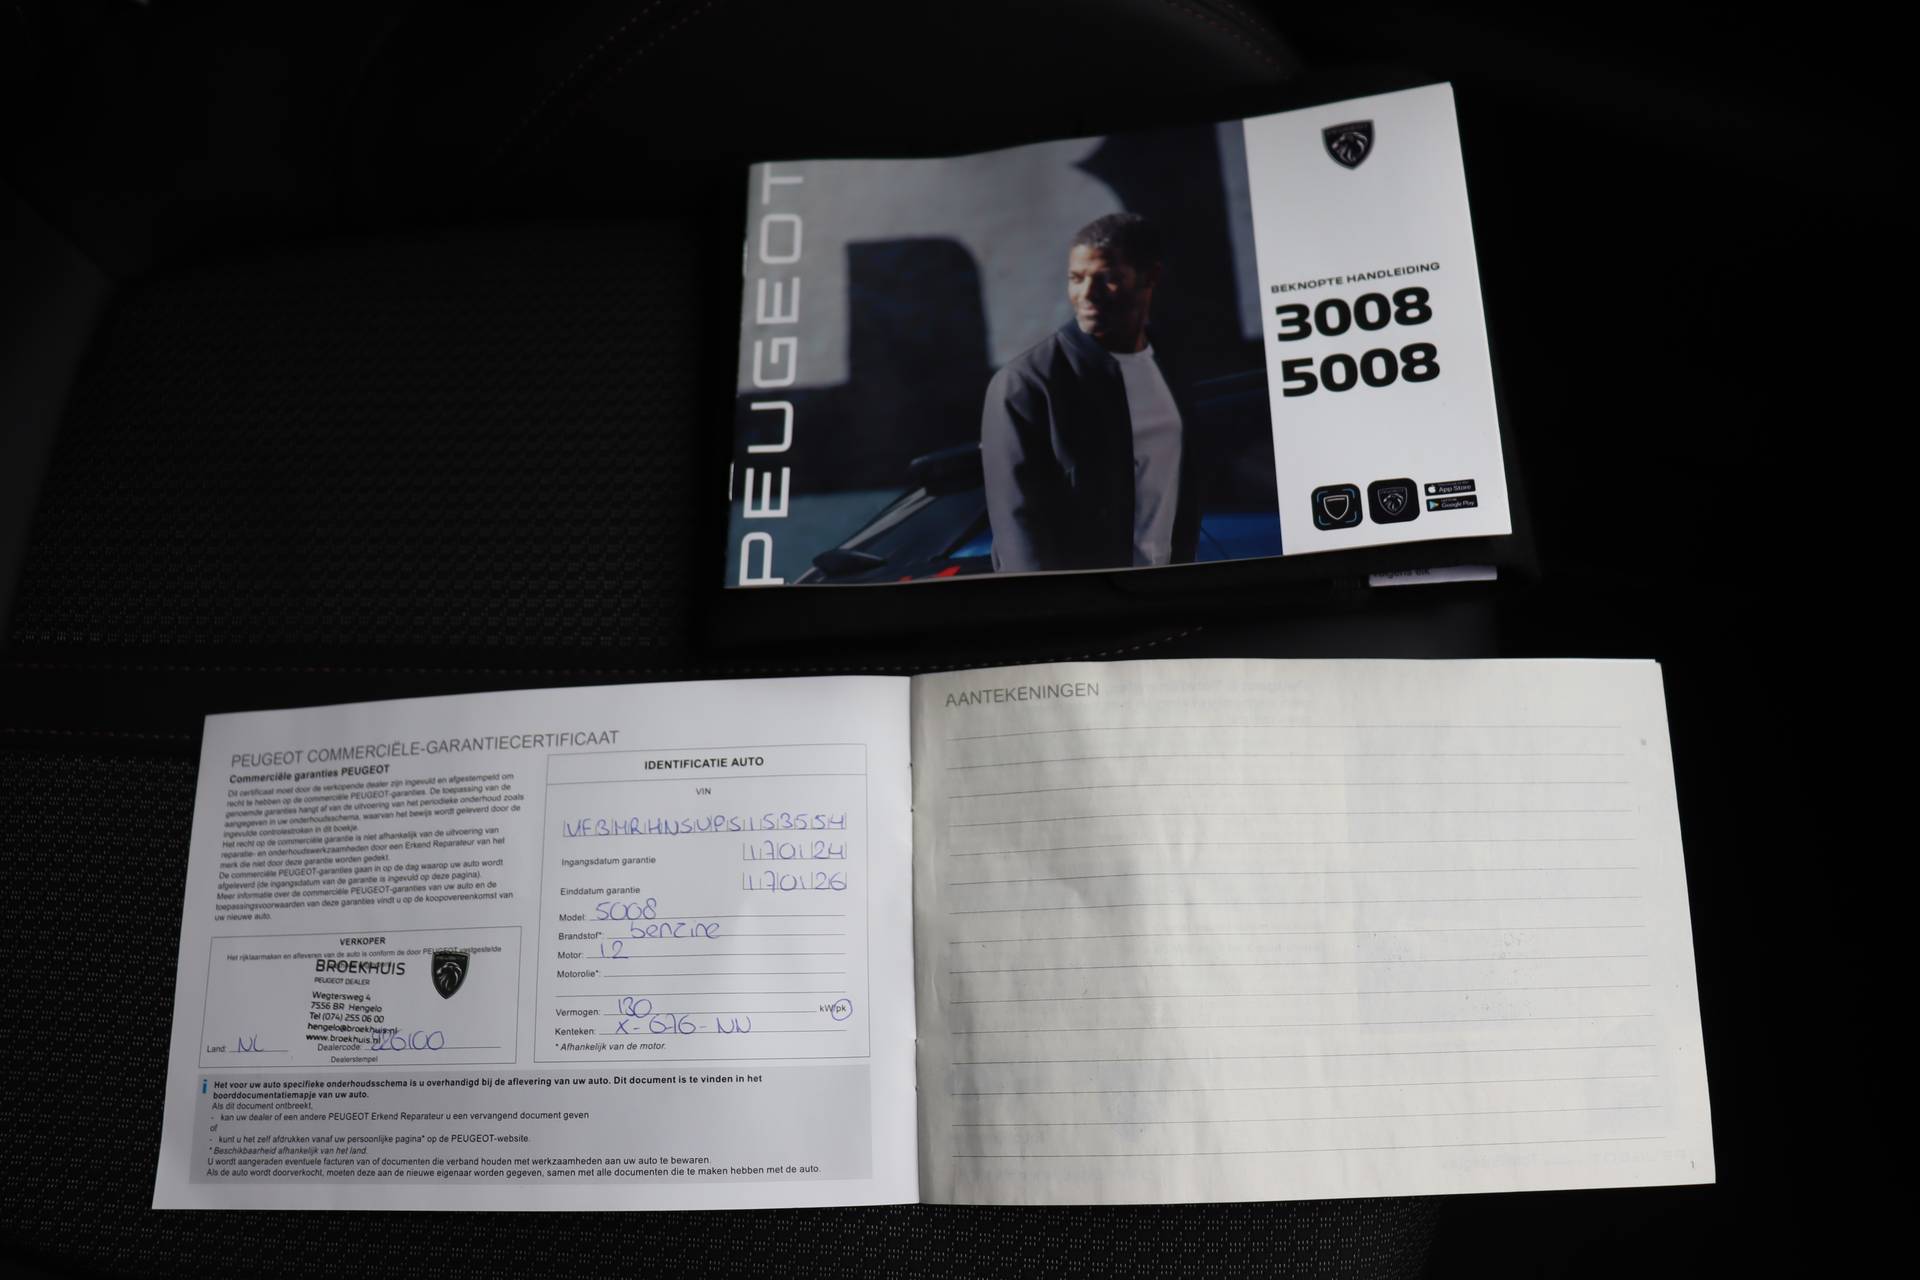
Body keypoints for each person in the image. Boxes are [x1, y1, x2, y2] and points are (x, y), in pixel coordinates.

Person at [980, 211, 1202, 573]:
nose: (1087, 294)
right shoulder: (1027, 383)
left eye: (1108, 278)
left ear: (1150, 277)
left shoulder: (1171, 365)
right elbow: (1019, 530)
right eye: (1076, 278)